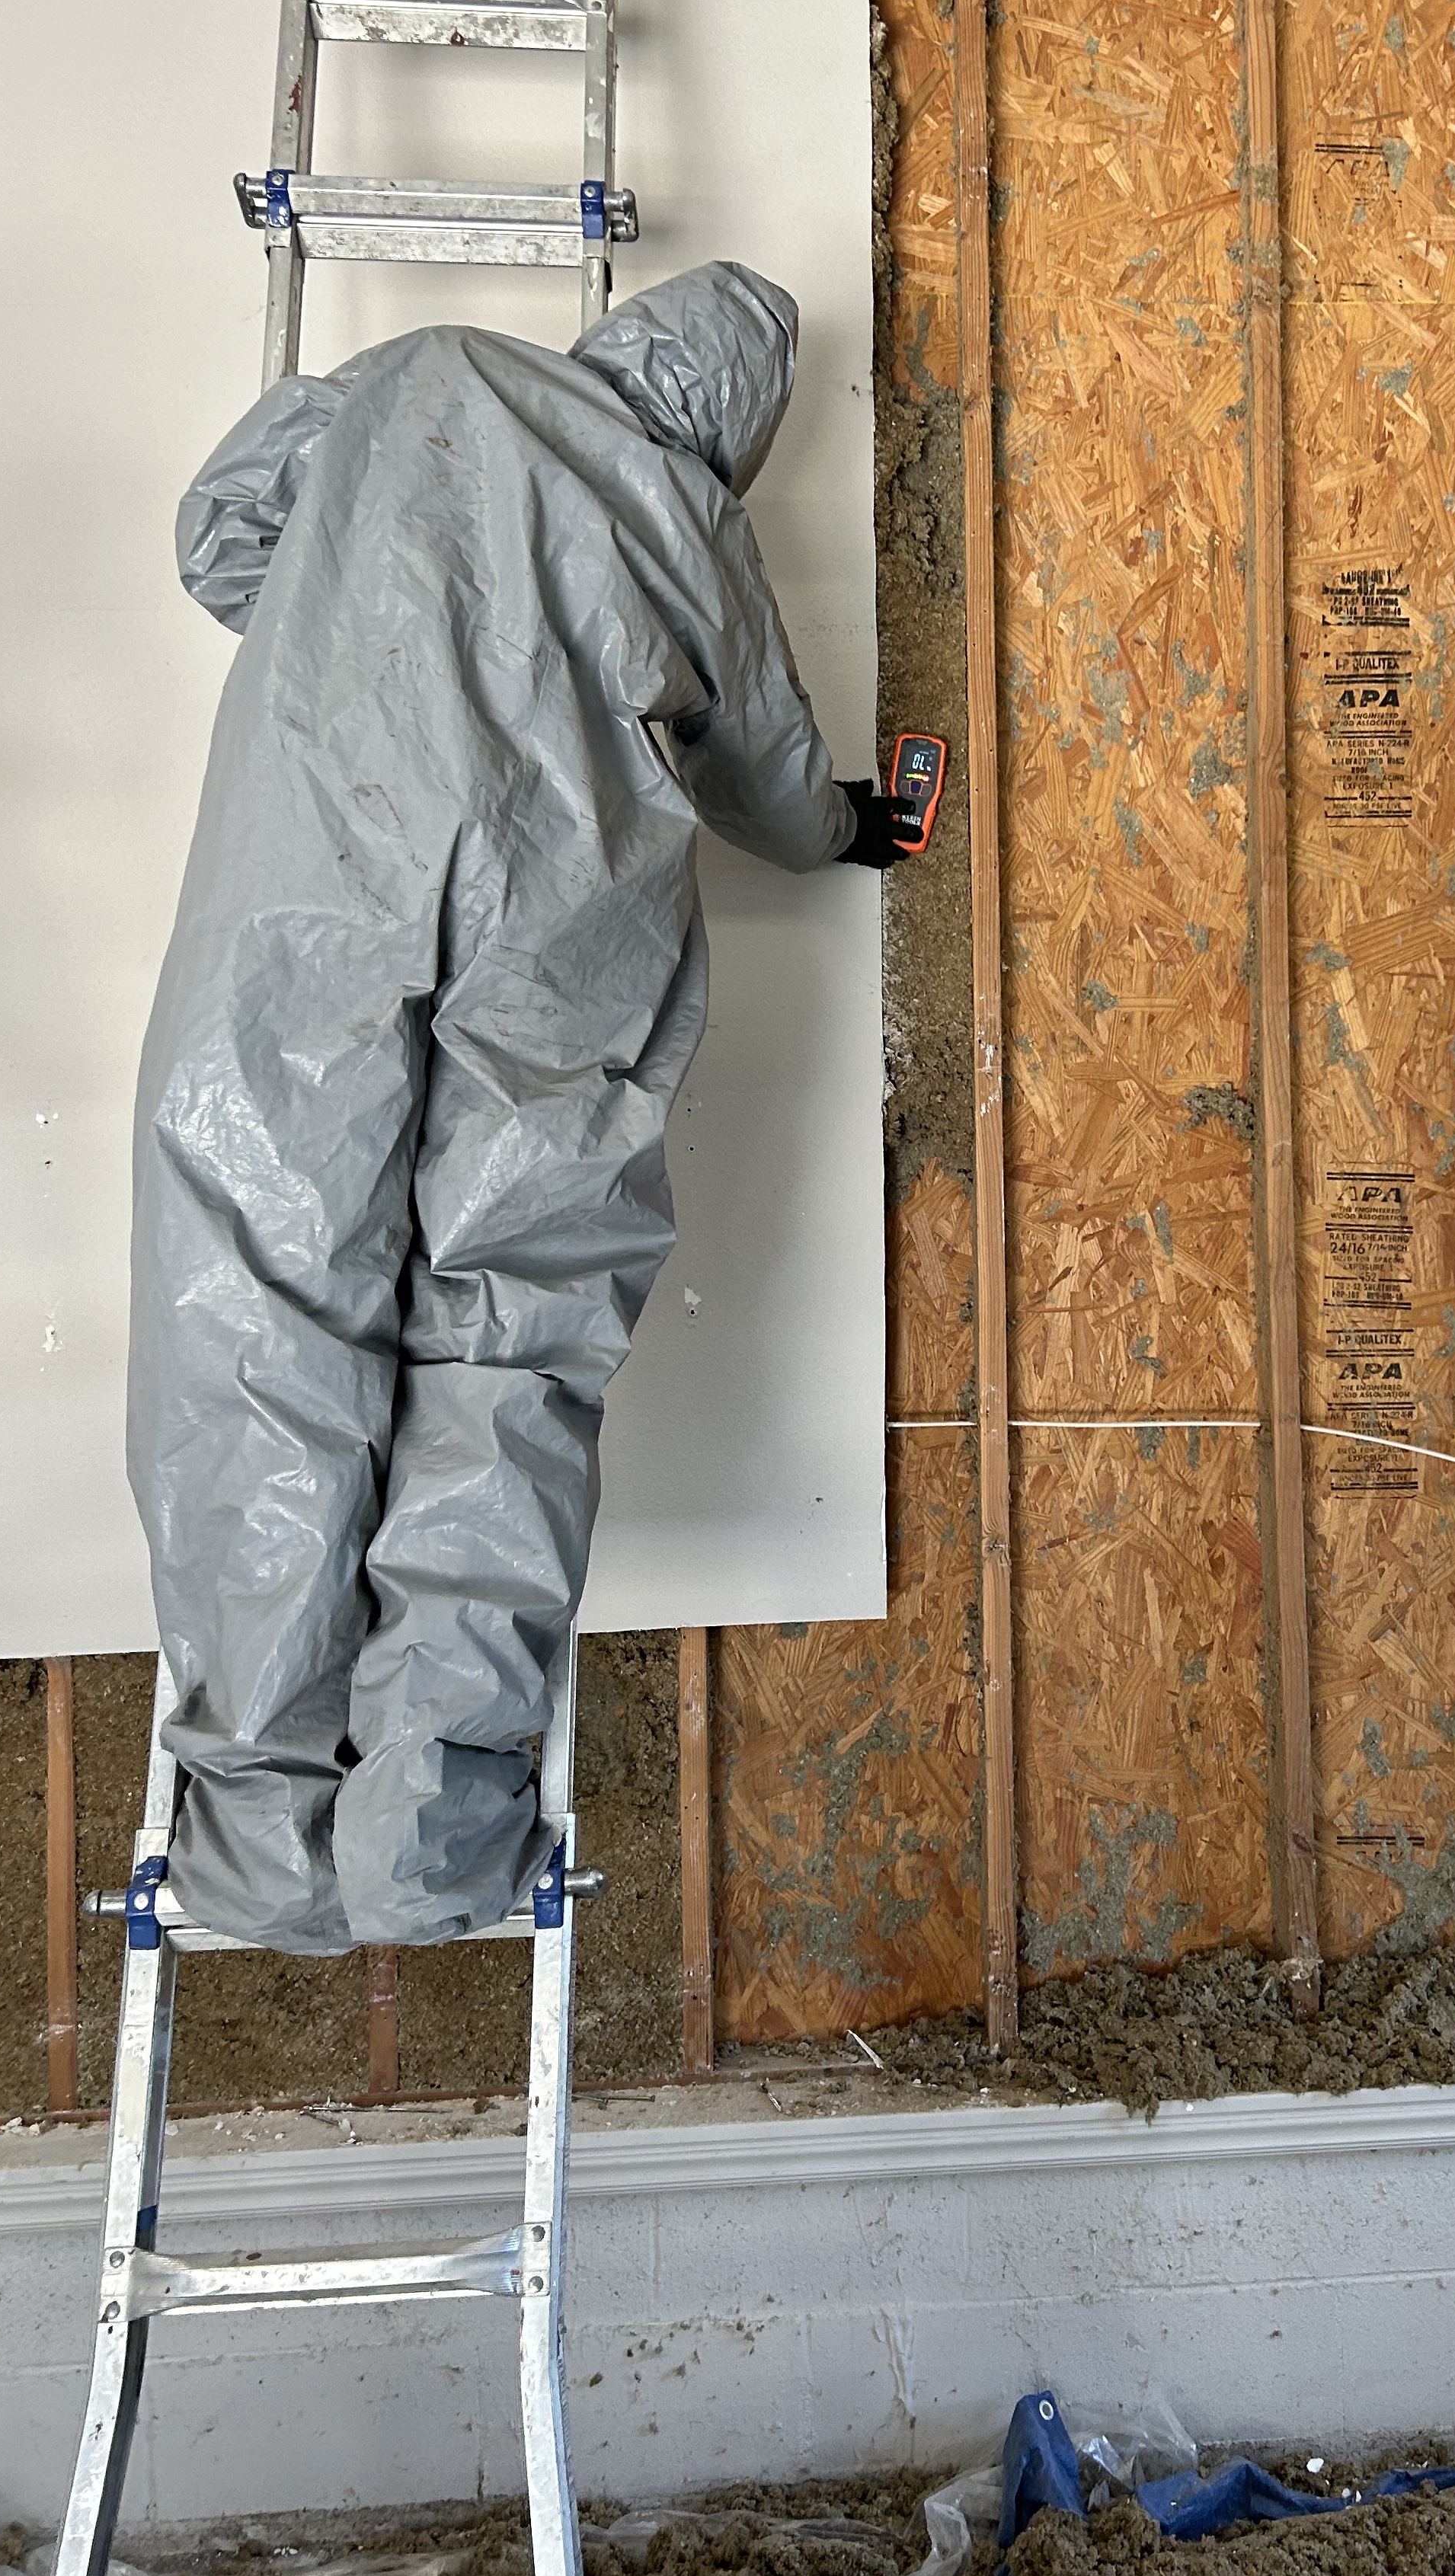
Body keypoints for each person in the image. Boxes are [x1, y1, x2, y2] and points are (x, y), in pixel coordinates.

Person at [129, 260, 912, 1956]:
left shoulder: (415, 377)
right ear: (728, 425)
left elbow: (217, 542)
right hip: (563, 938)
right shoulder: (688, 513)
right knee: (511, 1345)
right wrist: (857, 829)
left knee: (258, 1306)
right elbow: (771, 785)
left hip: (315, 888)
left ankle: (257, 1841)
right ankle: (428, 1838)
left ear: (624, 340)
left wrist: (352, 596)